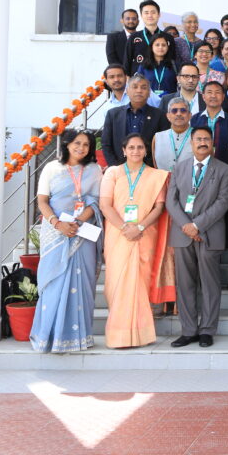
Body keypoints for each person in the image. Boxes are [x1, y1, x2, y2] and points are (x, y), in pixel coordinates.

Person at [30, 130, 103, 353]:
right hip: (56, 232)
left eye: (86, 145)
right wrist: (57, 223)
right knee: (54, 281)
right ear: (67, 144)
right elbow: (42, 201)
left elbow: (97, 201)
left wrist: (79, 221)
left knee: (83, 282)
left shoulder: (94, 170)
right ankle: (49, 337)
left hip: (82, 231)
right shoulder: (52, 168)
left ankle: (78, 338)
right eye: (77, 143)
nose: (81, 148)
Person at [98, 133, 172, 348]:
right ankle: (118, 335)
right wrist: (125, 228)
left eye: (140, 147)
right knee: (117, 281)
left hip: (145, 234)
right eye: (131, 147)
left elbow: (159, 207)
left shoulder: (156, 176)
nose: (136, 151)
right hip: (117, 235)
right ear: (124, 151)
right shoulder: (112, 173)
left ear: (146, 151)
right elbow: (105, 205)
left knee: (140, 282)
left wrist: (139, 227)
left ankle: (141, 334)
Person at [164, 126, 228, 348]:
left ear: (212, 143)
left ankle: (207, 330)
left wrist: (197, 225)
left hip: (209, 233)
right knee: (185, 284)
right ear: (191, 143)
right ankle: (188, 330)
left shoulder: (224, 170)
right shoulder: (179, 168)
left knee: (210, 283)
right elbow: (171, 201)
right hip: (182, 233)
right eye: (198, 139)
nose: (203, 142)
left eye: (206, 139)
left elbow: (223, 202)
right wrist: (187, 226)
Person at [102, 74, 170, 167]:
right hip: (119, 168)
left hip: (149, 169)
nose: (139, 90)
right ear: (127, 91)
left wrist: (151, 168)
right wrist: (116, 167)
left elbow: (163, 146)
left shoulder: (160, 115)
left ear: (149, 93)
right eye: (135, 87)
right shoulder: (113, 114)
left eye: (143, 88)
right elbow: (106, 144)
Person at [123, 0, 165, 75]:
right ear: (141, 15)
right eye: (146, 13)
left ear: (159, 15)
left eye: (153, 12)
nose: (150, 15)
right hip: (138, 78)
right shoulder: (133, 37)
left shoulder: (167, 37)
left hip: (162, 77)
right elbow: (127, 61)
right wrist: (127, 77)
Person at [151, 98, 193, 171]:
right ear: (168, 116)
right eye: (174, 111)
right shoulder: (158, 137)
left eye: (183, 110)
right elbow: (155, 166)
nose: (179, 114)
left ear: (190, 115)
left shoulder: (199, 137)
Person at [135, 33, 178, 104]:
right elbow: (138, 85)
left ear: (168, 47)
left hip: (170, 103)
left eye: (163, 45)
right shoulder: (144, 66)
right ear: (151, 47)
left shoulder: (174, 65)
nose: (160, 47)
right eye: (157, 45)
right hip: (149, 102)